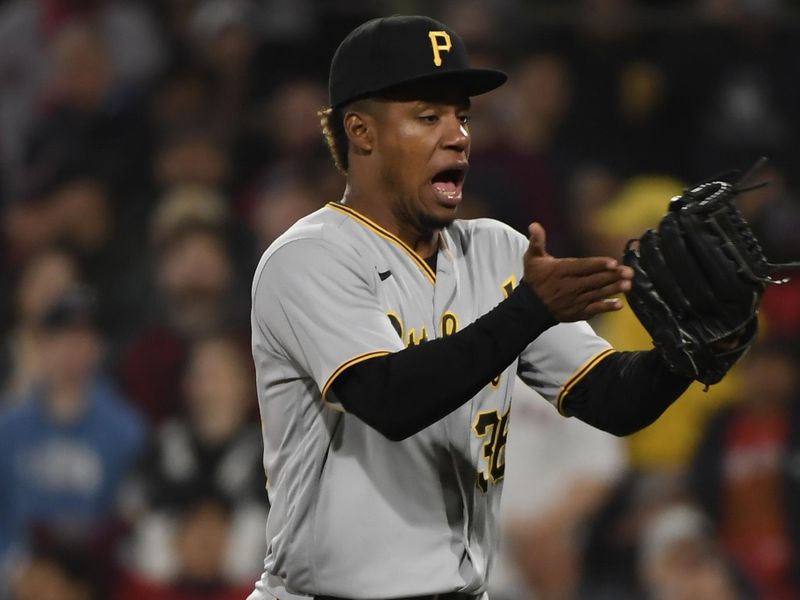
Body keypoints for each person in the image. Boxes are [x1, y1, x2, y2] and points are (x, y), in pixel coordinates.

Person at [249, 15, 695, 599]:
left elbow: (614, 399)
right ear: (361, 130)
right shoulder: (310, 256)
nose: (457, 135)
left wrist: (688, 348)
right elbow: (388, 399)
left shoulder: (499, 250)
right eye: (428, 116)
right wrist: (530, 310)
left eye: (462, 115)